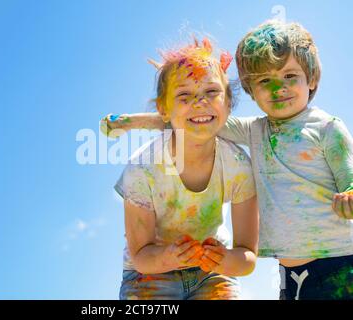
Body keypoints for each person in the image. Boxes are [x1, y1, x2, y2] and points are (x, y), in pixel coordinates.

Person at [102, 20, 353, 300]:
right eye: (264, 80)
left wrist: (349, 197)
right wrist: (130, 122)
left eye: (211, 92)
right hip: (157, 274)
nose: (278, 88)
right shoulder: (146, 167)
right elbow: (190, 122)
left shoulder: (321, 130)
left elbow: (349, 180)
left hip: (329, 261)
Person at [113, 37, 258, 300]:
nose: (200, 102)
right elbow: (141, 256)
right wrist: (169, 257)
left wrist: (223, 260)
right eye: (184, 95)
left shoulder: (238, 166)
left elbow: (247, 256)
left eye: (212, 92)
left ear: (228, 103)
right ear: (163, 109)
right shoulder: (142, 168)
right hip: (148, 275)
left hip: (211, 275)